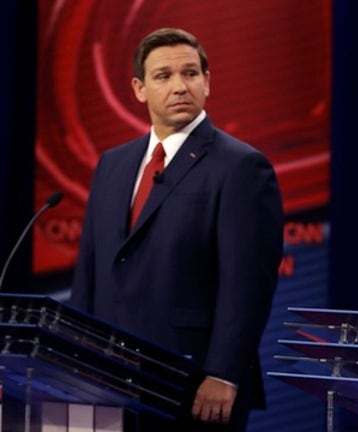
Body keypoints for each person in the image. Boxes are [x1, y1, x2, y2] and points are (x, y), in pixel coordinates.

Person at [70, 28, 283, 431]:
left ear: (207, 81)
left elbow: (248, 285)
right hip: (109, 378)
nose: (180, 86)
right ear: (139, 88)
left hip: (191, 384)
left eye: (190, 73)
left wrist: (224, 373)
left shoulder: (241, 167)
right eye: (163, 76)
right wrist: (76, 357)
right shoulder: (112, 165)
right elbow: (89, 272)